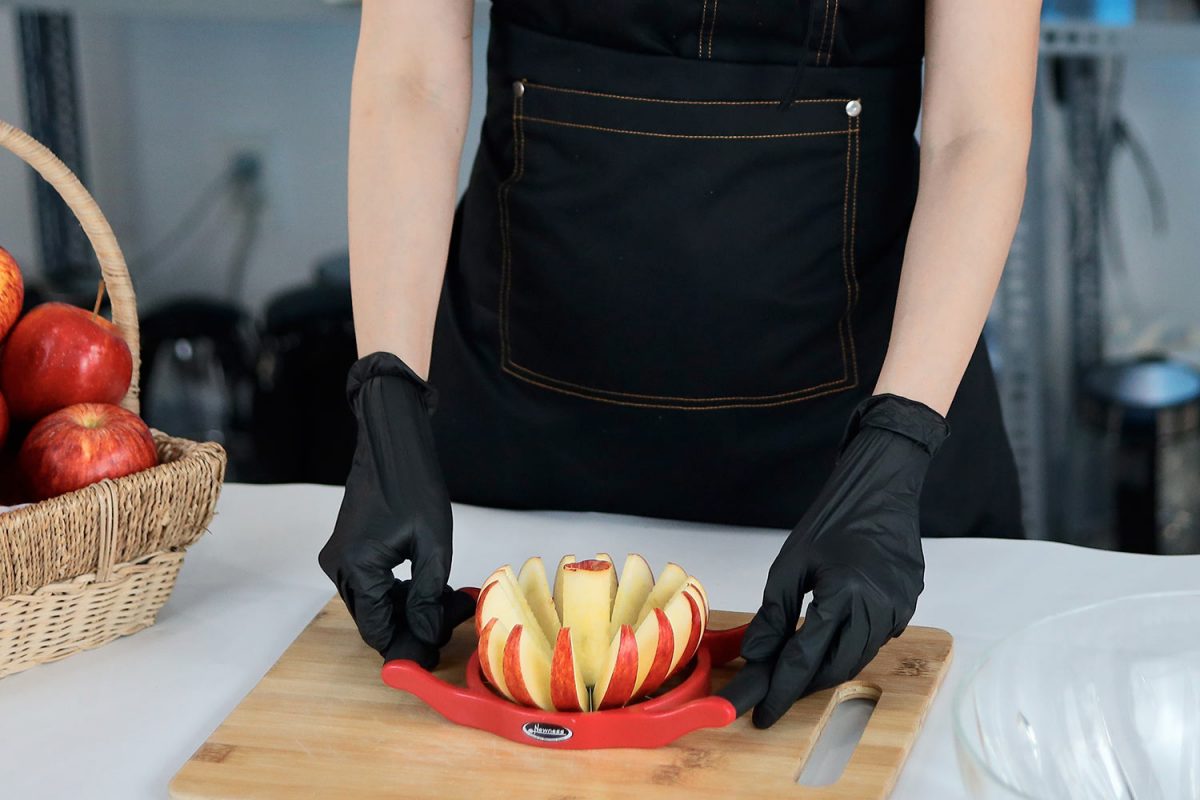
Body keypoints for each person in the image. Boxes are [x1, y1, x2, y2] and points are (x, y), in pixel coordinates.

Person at [320, 0, 1040, 727]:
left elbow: (975, 128)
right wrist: (386, 394)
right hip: (517, 424)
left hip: (860, 432)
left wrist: (898, 441)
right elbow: (412, 70)